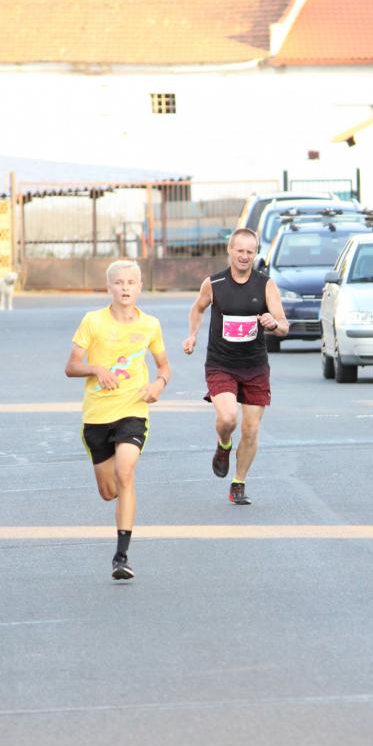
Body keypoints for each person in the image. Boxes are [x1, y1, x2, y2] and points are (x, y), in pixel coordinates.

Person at [66, 260, 171, 580]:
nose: (125, 288)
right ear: (108, 287)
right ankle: (120, 494)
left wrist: (158, 384)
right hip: (97, 416)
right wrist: (95, 369)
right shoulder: (93, 321)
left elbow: (164, 366)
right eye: (119, 283)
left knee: (126, 472)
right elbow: (71, 366)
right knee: (108, 490)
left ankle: (121, 556)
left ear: (140, 287)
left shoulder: (150, 325)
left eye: (131, 283)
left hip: (133, 409)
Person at [182, 227, 289, 505]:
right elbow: (197, 308)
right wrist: (192, 335)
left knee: (251, 429)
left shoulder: (266, 285)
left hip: (255, 366)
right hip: (221, 364)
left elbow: (284, 325)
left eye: (250, 252)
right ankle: (224, 444)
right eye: (239, 250)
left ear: (256, 254)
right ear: (230, 250)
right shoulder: (214, 283)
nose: (244, 256)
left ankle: (238, 482)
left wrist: (273, 324)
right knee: (228, 418)